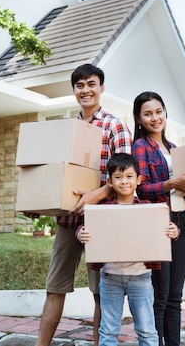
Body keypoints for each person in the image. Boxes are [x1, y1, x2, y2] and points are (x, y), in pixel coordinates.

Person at [34, 63, 132, 346]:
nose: (85, 90)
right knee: (54, 288)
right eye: (80, 85)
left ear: (102, 87)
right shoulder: (68, 129)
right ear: (74, 91)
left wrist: (98, 194)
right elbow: (53, 172)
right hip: (68, 220)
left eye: (91, 84)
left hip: (102, 220)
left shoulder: (115, 126)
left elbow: (126, 177)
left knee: (101, 291)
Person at [76, 153, 179, 346]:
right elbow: (85, 227)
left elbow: (167, 227)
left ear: (139, 180)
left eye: (129, 176)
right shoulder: (102, 209)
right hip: (110, 277)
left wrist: (174, 231)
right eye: (118, 177)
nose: (124, 181)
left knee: (146, 330)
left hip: (140, 277)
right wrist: (81, 233)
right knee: (108, 330)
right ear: (110, 181)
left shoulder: (148, 208)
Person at [131, 91, 185, 346]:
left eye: (159, 111)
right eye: (148, 114)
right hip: (159, 223)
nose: (155, 118)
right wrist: (169, 183)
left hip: (181, 221)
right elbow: (139, 189)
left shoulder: (173, 148)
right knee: (160, 295)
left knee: (176, 295)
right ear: (139, 119)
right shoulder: (140, 147)